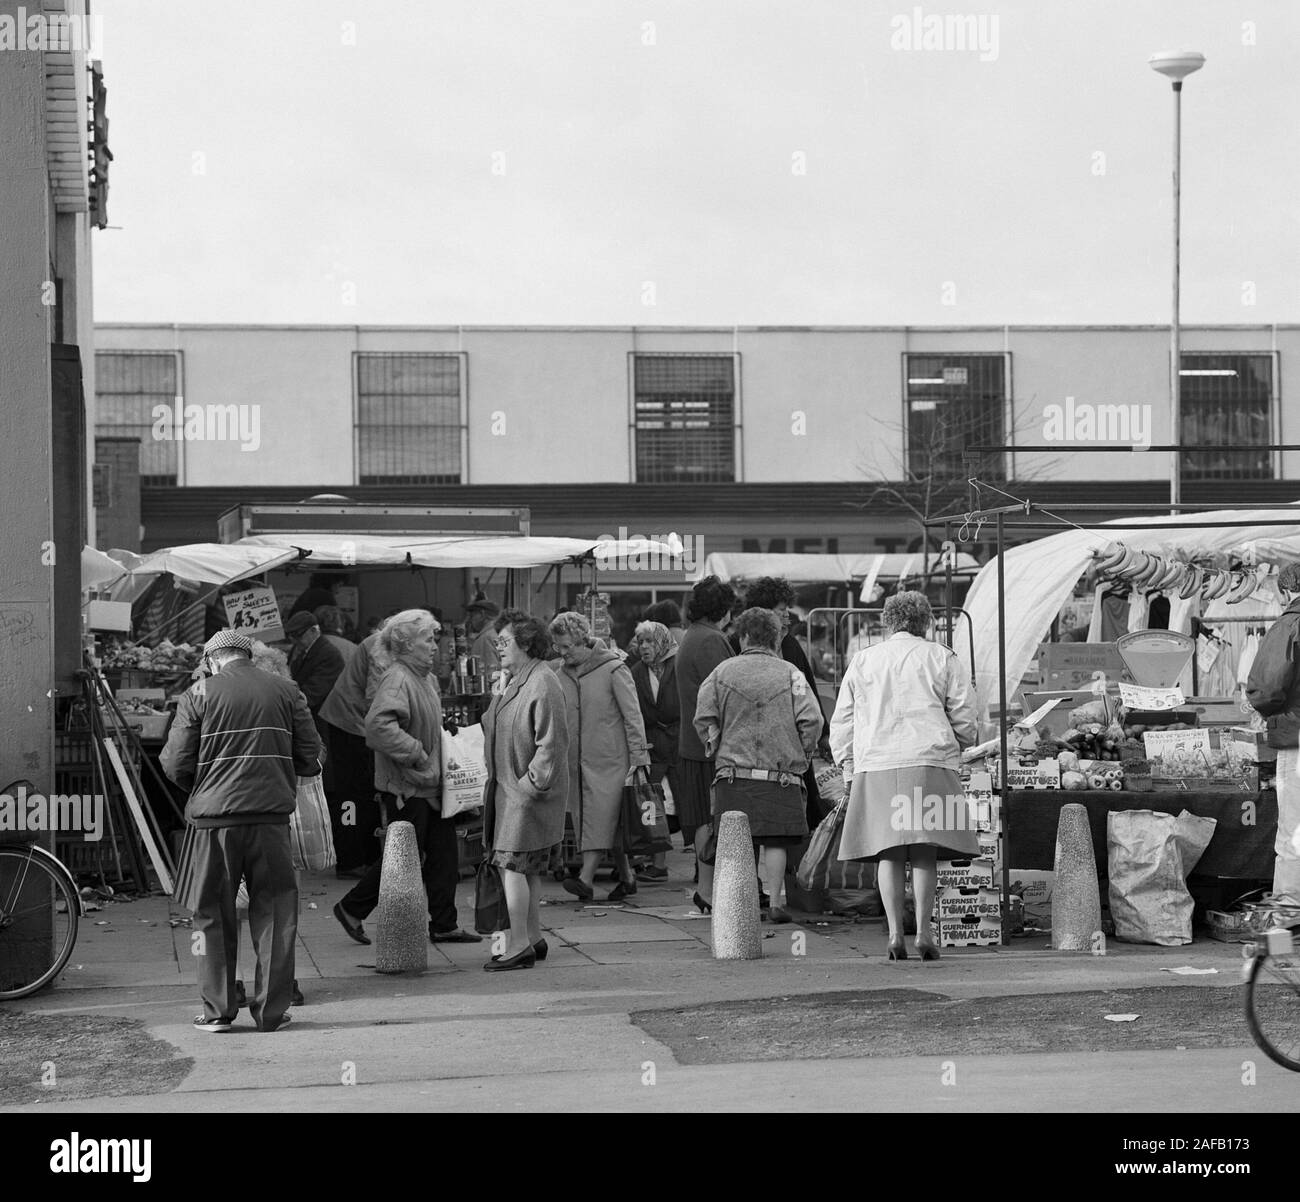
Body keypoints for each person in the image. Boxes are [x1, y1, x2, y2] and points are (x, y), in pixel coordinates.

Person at [162, 630, 320, 1033]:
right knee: (276, 910)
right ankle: (270, 1013)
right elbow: (309, 755)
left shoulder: (198, 693)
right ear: (248, 656)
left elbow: (177, 761)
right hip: (270, 819)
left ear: (213, 660)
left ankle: (217, 1012)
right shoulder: (287, 691)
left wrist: (204, 790)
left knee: (211, 913)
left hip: (215, 823)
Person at [830, 591, 980, 961]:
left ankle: (896, 933)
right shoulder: (942, 657)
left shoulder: (863, 660)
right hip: (930, 759)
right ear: (926, 621)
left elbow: (843, 720)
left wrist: (847, 765)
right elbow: (964, 713)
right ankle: (925, 932)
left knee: (889, 851)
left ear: (888, 621)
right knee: (925, 851)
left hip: (877, 762)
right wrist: (960, 742)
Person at [331, 609, 480, 946]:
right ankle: (351, 908)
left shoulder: (423, 677)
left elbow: (419, 722)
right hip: (408, 785)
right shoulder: (398, 678)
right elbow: (379, 726)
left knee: (443, 856)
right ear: (407, 644)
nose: (435, 646)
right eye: (428, 639)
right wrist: (417, 752)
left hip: (428, 784)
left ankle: (444, 923)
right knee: (402, 861)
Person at [695, 608, 822, 923]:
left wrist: (715, 745)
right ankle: (776, 901)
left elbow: (704, 716)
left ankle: (744, 905)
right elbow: (812, 719)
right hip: (782, 775)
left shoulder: (722, 672)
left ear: (744, 636)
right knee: (777, 840)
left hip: (734, 774)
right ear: (774, 637)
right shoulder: (791, 674)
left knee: (740, 841)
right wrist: (803, 753)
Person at [481, 610, 570, 971]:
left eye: (504, 641)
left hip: (524, 796)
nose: (498, 647)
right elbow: (494, 724)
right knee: (526, 868)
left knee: (512, 867)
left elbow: (551, 743)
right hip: (516, 793)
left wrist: (528, 786)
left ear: (526, 642)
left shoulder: (542, 681)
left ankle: (518, 944)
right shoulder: (525, 678)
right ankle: (532, 937)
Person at [549, 611, 651, 902]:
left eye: (568, 646)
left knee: (599, 819)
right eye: (558, 647)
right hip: (576, 764)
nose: (563, 653)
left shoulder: (614, 669)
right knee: (604, 823)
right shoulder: (559, 675)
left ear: (584, 640)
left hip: (612, 762)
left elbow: (633, 716)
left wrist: (640, 758)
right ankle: (627, 877)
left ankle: (585, 878)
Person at [733, 576, 833, 828]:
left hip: (788, 742)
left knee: (798, 811)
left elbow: (807, 686)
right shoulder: (738, 644)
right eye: (781, 610)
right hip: (755, 745)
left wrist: (821, 737)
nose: (786, 614)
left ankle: (793, 864)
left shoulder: (789, 644)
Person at [675, 575, 737, 913]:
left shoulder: (692, 637)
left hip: (692, 743)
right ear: (724, 611)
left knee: (704, 819)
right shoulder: (712, 641)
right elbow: (727, 692)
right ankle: (708, 891)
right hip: (708, 747)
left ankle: (707, 889)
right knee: (710, 820)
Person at [317, 622, 392, 876]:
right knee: (355, 793)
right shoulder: (381, 646)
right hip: (350, 724)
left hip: (353, 722)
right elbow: (375, 696)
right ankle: (353, 860)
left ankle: (362, 857)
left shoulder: (386, 643)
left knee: (358, 792)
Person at [1245, 562, 1300, 898]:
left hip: (1296, 741)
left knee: (1294, 832)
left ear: (1285, 591)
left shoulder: (1290, 625)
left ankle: (1290, 918)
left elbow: (1266, 688)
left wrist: (1260, 708)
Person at [629, 620, 681, 882]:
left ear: (661, 641)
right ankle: (658, 864)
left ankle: (703, 865)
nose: (645, 646)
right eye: (641, 642)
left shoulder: (679, 667)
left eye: (650, 641)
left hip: (680, 743)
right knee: (654, 805)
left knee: (690, 807)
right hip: (651, 746)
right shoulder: (635, 672)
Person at [285, 612, 346, 726]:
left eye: (298, 636)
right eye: (292, 637)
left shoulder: (329, 655)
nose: (294, 641)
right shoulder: (303, 650)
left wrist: (284, 704)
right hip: (307, 716)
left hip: (320, 721)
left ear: (313, 631)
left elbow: (313, 692)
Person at [465, 597, 503, 674]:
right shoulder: (499, 633)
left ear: (482, 614)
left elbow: (490, 674)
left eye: (472, 616)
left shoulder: (486, 638)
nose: (470, 620)